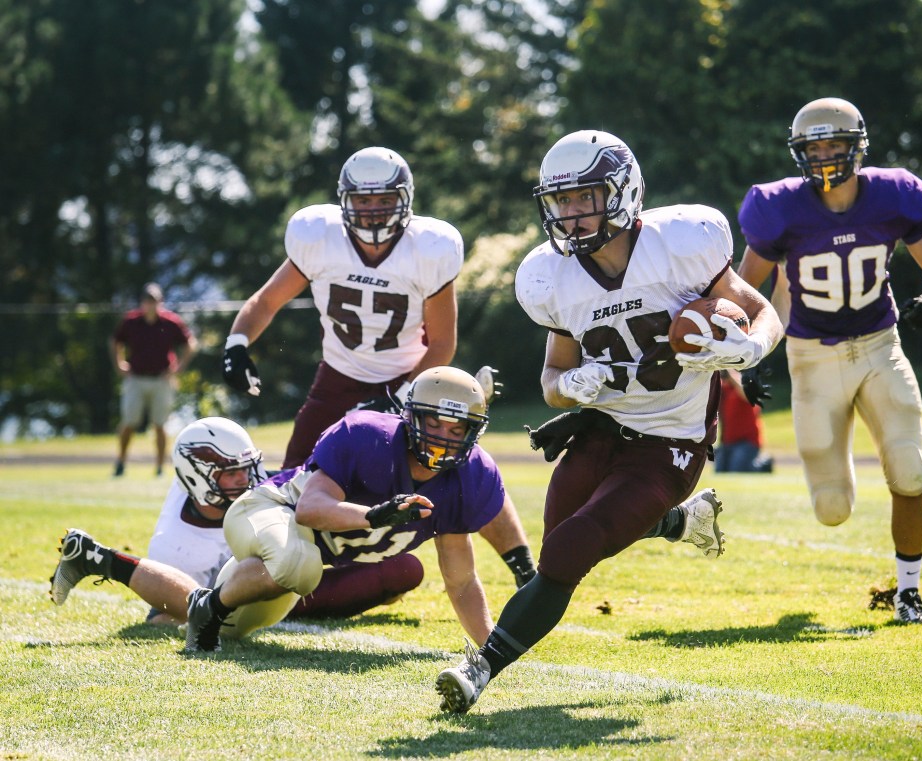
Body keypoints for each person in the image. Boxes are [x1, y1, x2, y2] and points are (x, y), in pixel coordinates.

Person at [434, 130, 784, 713]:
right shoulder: (551, 276)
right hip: (601, 430)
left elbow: (761, 311)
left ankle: (479, 670)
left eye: (583, 198)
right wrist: (570, 388)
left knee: (569, 551)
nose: (570, 214)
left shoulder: (681, 244)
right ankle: (676, 524)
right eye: (561, 201)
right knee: (568, 533)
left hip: (670, 440)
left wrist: (752, 350)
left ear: (622, 192)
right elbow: (552, 382)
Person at [220, 146, 534, 587]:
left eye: (383, 200)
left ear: (404, 200)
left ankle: (524, 569)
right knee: (292, 491)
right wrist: (237, 343)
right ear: (345, 201)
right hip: (336, 379)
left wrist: (400, 395)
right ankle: (262, 576)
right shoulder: (319, 237)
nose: (372, 211)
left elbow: (442, 342)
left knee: (465, 466)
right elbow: (266, 300)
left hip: (411, 380)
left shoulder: (428, 249)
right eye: (363, 201)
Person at [735, 97, 922, 626]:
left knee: (908, 470)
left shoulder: (892, 197)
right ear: (800, 152)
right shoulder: (780, 208)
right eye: (815, 146)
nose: (826, 155)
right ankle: (842, 463)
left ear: (858, 146)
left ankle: (908, 593)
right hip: (811, 358)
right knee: (832, 509)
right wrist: (747, 354)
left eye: (835, 144)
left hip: (880, 346)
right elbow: (745, 291)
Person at [181, 366, 506, 653]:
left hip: (293, 558)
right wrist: (374, 516)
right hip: (269, 508)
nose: (441, 439)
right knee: (300, 565)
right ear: (411, 417)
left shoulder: (469, 476)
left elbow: (461, 581)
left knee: (235, 629)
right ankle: (205, 605)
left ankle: (214, 607)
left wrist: (491, 650)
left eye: (456, 430)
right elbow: (308, 509)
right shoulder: (369, 437)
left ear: (473, 432)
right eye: (433, 423)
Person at [49, 418, 423, 624]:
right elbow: (172, 615)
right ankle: (103, 559)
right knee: (216, 606)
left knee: (407, 569)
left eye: (246, 468)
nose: (245, 480)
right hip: (268, 586)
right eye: (231, 474)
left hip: (300, 565)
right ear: (198, 477)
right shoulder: (176, 545)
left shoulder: (247, 488)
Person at [110, 282, 197, 477]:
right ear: (142, 302)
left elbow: (190, 343)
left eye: (154, 301)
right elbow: (115, 341)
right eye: (147, 301)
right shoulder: (131, 321)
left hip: (161, 379)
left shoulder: (170, 322)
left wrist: (179, 368)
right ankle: (121, 461)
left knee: (160, 424)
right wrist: (119, 363)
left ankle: (159, 467)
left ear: (161, 302)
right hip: (136, 378)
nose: (151, 305)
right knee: (129, 422)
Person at [716, 370, 773, 473]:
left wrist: (730, 373)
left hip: (747, 442)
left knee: (737, 470)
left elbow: (748, 396)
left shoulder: (745, 384)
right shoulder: (723, 388)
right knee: (720, 471)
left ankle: (764, 465)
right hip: (727, 442)